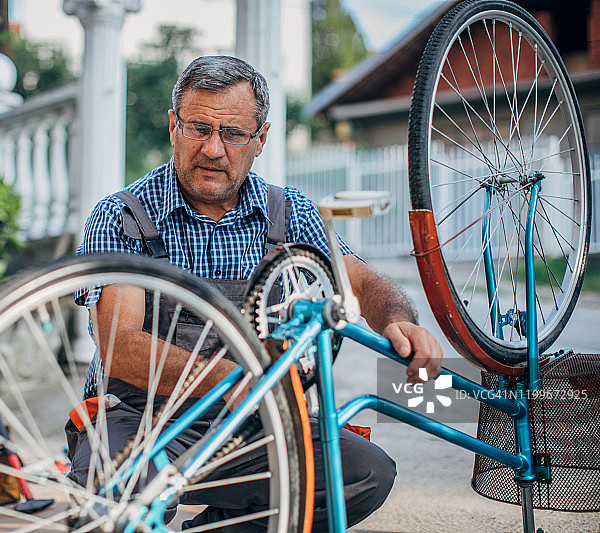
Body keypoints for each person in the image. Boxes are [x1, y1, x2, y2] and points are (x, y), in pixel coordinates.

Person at [71, 55, 444, 531]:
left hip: (250, 424)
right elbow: (119, 346)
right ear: (173, 127)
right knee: (118, 502)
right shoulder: (123, 215)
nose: (213, 149)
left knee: (362, 473)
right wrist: (234, 377)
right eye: (198, 128)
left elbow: (364, 282)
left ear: (260, 139)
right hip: (141, 420)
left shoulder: (289, 213)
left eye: (232, 134)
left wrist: (398, 319)